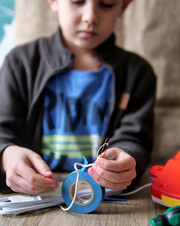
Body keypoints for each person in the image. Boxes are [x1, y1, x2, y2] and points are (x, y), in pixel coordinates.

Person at [0, 0, 156, 195]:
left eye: (106, 4)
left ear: (123, 6)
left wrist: (127, 159)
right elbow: (3, 131)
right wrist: (6, 155)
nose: (90, 17)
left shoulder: (138, 73)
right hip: (33, 195)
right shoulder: (19, 63)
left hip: (102, 196)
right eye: (77, 1)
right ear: (54, 1)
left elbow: (134, 138)